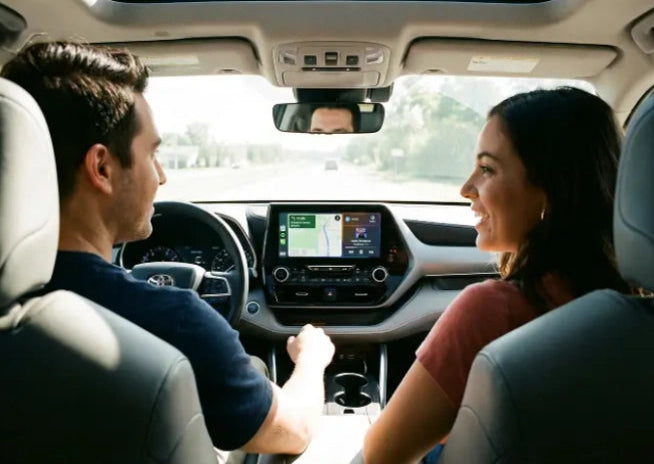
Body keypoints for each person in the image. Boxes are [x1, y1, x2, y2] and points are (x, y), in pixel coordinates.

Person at [1, 41, 335, 459]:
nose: (161, 176)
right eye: (152, 153)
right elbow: (295, 430)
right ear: (102, 168)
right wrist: (311, 359)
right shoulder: (175, 323)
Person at [363, 87, 630, 464]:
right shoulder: (637, 315)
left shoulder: (491, 311)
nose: (465, 188)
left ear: (550, 190)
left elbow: (383, 455)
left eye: (487, 169)